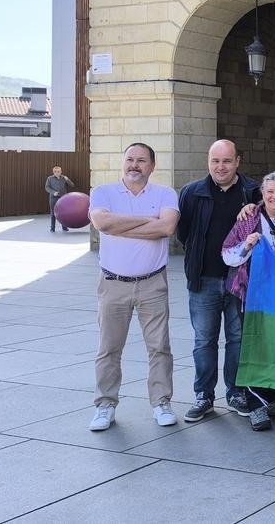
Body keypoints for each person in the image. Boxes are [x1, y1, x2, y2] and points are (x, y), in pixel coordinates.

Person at [87, 143, 180, 432]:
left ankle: (161, 402)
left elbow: (166, 228)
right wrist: (147, 221)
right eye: (129, 159)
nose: (134, 165)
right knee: (109, 348)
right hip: (113, 284)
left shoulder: (165, 194)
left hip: (153, 283)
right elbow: (102, 223)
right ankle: (105, 405)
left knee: (159, 347)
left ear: (152, 166)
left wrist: (121, 226)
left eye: (141, 160)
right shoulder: (103, 192)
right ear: (122, 162)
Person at [176, 140, 260, 422]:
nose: (220, 167)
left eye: (226, 161)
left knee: (237, 339)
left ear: (238, 161)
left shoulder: (252, 192)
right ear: (208, 162)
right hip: (204, 280)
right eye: (215, 161)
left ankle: (235, 392)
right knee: (204, 340)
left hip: (240, 281)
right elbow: (184, 234)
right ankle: (204, 395)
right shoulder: (191, 193)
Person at [222, 171, 275, 431]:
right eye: (270, 192)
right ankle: (255, 404)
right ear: (262, 193)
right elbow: (227, 254)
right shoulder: (250, 218)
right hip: (253, 293)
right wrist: (246, 246)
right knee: (254, 345)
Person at [45, 165, 75, 232]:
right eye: (55, 171)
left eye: (58, 171)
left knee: (64, 213)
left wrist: (68, 180)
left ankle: (64, 227)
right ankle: (52, 228)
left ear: (61, 171)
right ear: (53, 172)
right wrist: (53, 192)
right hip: (53, 198)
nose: (57, 172)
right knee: (53, 213)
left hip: (63, 198)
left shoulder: (64, 178)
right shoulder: (49, 178)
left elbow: (72, 185)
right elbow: (47, 187)